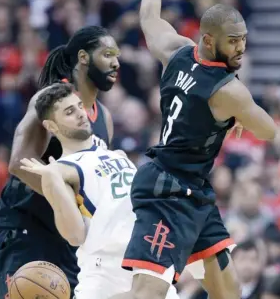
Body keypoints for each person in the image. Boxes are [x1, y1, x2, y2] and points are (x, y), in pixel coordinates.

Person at [110, 0, 277, 299]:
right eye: (233, 41)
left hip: (193, 193)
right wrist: (239, 113)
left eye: (243, 40)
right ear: (210, 40)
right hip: (168, 192)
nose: (241, 48)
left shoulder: (177, 51)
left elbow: (149, 18)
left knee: (228, 291)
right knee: (147, 293)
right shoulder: (228, 90)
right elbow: (267, 130)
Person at [19, 82, 179, 299]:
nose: (80, 114)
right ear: (51, 126)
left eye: (78, 106)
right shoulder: (61, 170)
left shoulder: (119, 155)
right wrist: (52, 179)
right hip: (107, 271)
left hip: (148, 259)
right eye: (69, 112)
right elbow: (75, 235)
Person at [0, 26, 120, 299]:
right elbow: (18, 162)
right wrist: (68, 201)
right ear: (84, 58)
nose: (116, 62)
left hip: (67, 238)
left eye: (117, 55)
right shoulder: (51, 99)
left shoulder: (105, 118)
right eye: (108, 54)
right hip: (27, 228)